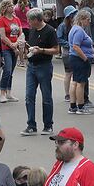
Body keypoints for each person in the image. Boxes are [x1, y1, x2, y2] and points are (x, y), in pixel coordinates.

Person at [23, 8, 59, 136]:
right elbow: (30, 45)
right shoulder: (32, 30)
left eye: (30, 20)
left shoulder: (49, 31)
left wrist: (41, 50)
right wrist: (25, 48)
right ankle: (31, 125)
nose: (28, 22)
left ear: (36, 20)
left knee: (46, 97)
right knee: (29, 96)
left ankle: (48, 125)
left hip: (44, 66)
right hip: (31, 65)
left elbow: (56, 50)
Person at [68, 9, 94, 115]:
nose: (89, 22)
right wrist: (85, 58)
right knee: (81, 83)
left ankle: (73, 105)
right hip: (79, 59)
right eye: (88, 20)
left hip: (74, 58)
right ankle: (81, 106)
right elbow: (76, 46)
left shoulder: (74, 28)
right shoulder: (79, 30)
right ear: (82, 19)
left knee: (75, 82)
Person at [0, 0, 22, 103]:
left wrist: (16, 44)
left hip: (15, 47)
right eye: (10, 6)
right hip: (6, 48)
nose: (12, 7)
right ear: (5, 8)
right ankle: (2, 93)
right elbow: (2, 36)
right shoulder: (1, 19)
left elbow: (21, 33)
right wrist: (12, 45)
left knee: (11, 71)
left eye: (13, 5)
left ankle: (9, 92)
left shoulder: (16, 19)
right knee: (7, 69)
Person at [57, 6, 77, 103]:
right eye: (72, 14)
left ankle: (74, 93)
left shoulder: (76, 25)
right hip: (67, 52)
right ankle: (67, 94)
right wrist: (69, 45)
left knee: (75, 74)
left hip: (75, 51)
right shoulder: (62, 26)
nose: (74, 16)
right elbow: (59, 39)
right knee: (68, 73)